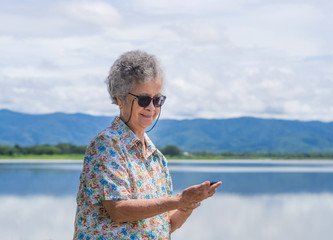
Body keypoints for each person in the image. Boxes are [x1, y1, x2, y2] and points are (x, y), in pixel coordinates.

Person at [73, 50, 222, 239]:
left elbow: (166, 226)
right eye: (144, 100)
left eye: (157, 99)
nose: (151, 107)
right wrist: (178, 200)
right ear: (120, 99)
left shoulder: (157, 158)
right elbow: (118, 210)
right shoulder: (107, 144)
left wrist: (186, 206)